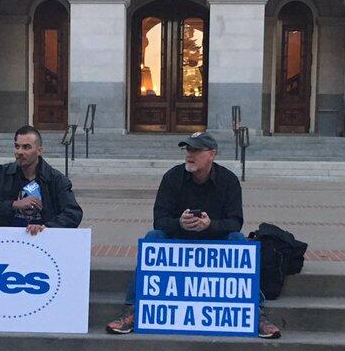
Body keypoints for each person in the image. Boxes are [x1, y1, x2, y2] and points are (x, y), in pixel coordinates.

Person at [104, 131, 281, 339]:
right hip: (180, 241)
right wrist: (180, 223)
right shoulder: (172, 177)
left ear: (212, 154)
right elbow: (159, 220)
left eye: (196, 150)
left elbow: (235, 222)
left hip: (214, 243)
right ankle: (133, 309)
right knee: (153, 236)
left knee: (239, 241)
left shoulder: (228, 180)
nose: (189, 154)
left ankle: (256, 312)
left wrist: (209, 225)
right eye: (187, 149)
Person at [0, 125, 83, 235]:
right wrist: (14, 204)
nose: (19, 152)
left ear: (39, 151)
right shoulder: (3, 174)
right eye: (17, 146)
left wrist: (45, 227)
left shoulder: (56, 179)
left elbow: (73, 213)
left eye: (26, 147)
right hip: (6, 240)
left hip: (41, 244)